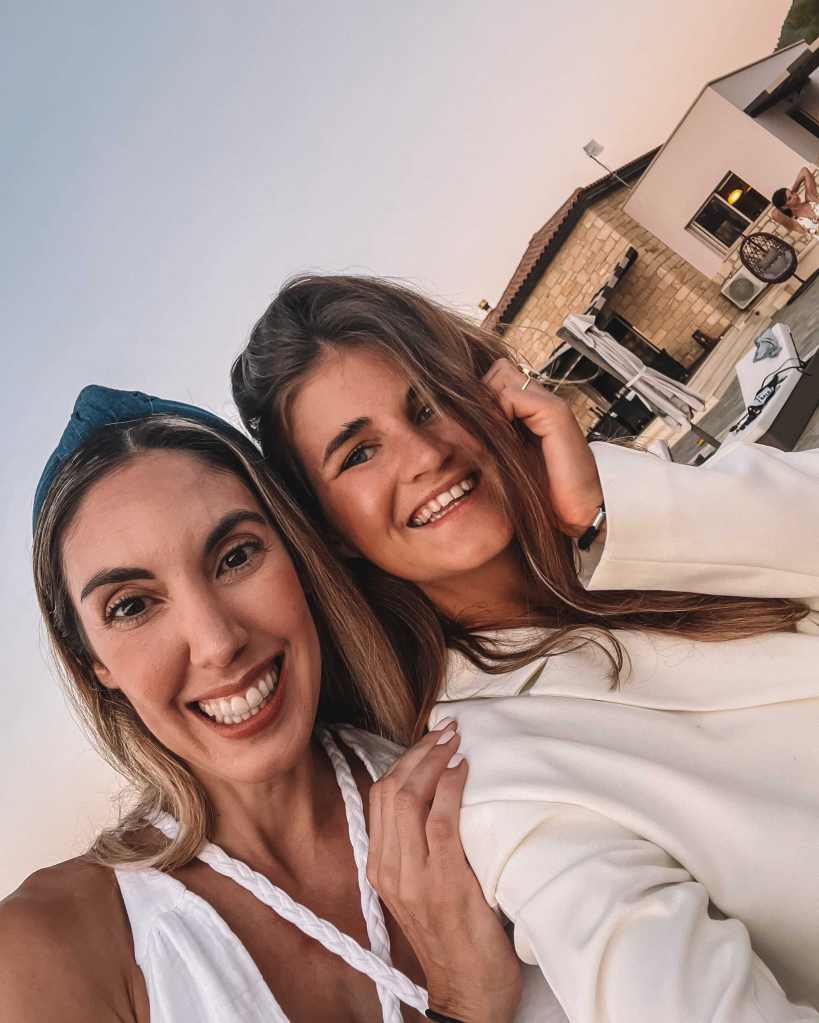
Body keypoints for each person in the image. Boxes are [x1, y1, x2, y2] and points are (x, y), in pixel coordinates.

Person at [232, 274, 819, 1023]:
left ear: (493, 396)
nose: (423, 454)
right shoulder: (493, 775)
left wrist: (601, 508)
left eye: (428, 403)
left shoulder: (655, 536)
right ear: (330, 532)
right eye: (359, 453)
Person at [0, 385, 546, 1023]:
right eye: (133, 605)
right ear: (94, 662)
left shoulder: (477, 763)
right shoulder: (45, 952)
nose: (217, 643)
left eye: (236, 557)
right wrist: (463, 1005)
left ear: (297, 556)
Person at [771, 166, 819, 234]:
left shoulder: (811, 198)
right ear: (784, 207)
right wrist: (781, 204)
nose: (795, 196)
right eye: (790, 198)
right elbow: (775, 214)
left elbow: (804, 171)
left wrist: (793, 190)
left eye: (792, 193)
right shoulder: (795, 223)